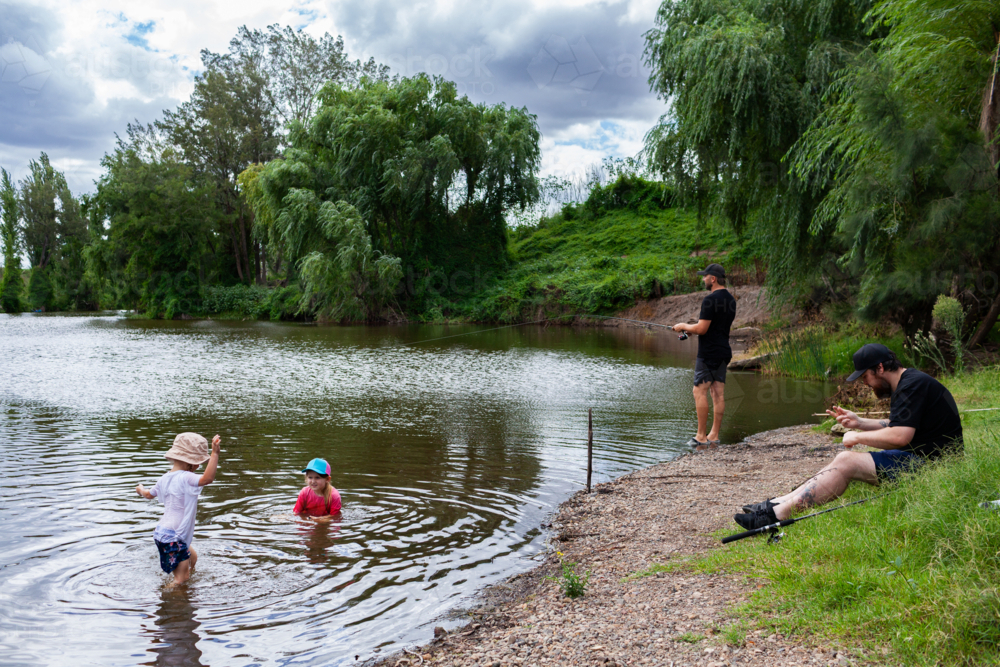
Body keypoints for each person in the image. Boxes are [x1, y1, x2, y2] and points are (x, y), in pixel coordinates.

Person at [736, 343, 963, 530]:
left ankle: (777, 515)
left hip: (935, 466)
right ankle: (777, 503)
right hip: (926, 457)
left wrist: (857, 437)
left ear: (880, 368)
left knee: (847, 460)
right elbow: (898, 425)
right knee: (842, 460)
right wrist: (860, 423)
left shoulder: (911, 386)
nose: (865, 383)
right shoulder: (909, 382)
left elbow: (900, 436)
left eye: (865, 376)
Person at [136, 432, 221, 586]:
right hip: (174, 537)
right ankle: (166, 596)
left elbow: (148, 495)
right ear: (193, 464)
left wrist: (140, 489)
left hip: (162, 533)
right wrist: (215, 453)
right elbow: (207, 479)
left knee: (192, 558)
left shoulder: (164, 478)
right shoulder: (186, 477)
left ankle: (187, 590)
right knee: (181, 580)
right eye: (199, 463)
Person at [673, 263, 737, 446]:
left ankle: (701, 436)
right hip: (724, 352)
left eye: (705, 276)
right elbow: (715, 326)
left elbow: (702, 327)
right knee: (718, 394)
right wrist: (693, 331)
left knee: (699, 391)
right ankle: (714, 436)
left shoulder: (710, 299)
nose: (703, 279)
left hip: (708, 353)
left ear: (713, 278)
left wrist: (683, 326)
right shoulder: (731, 300)